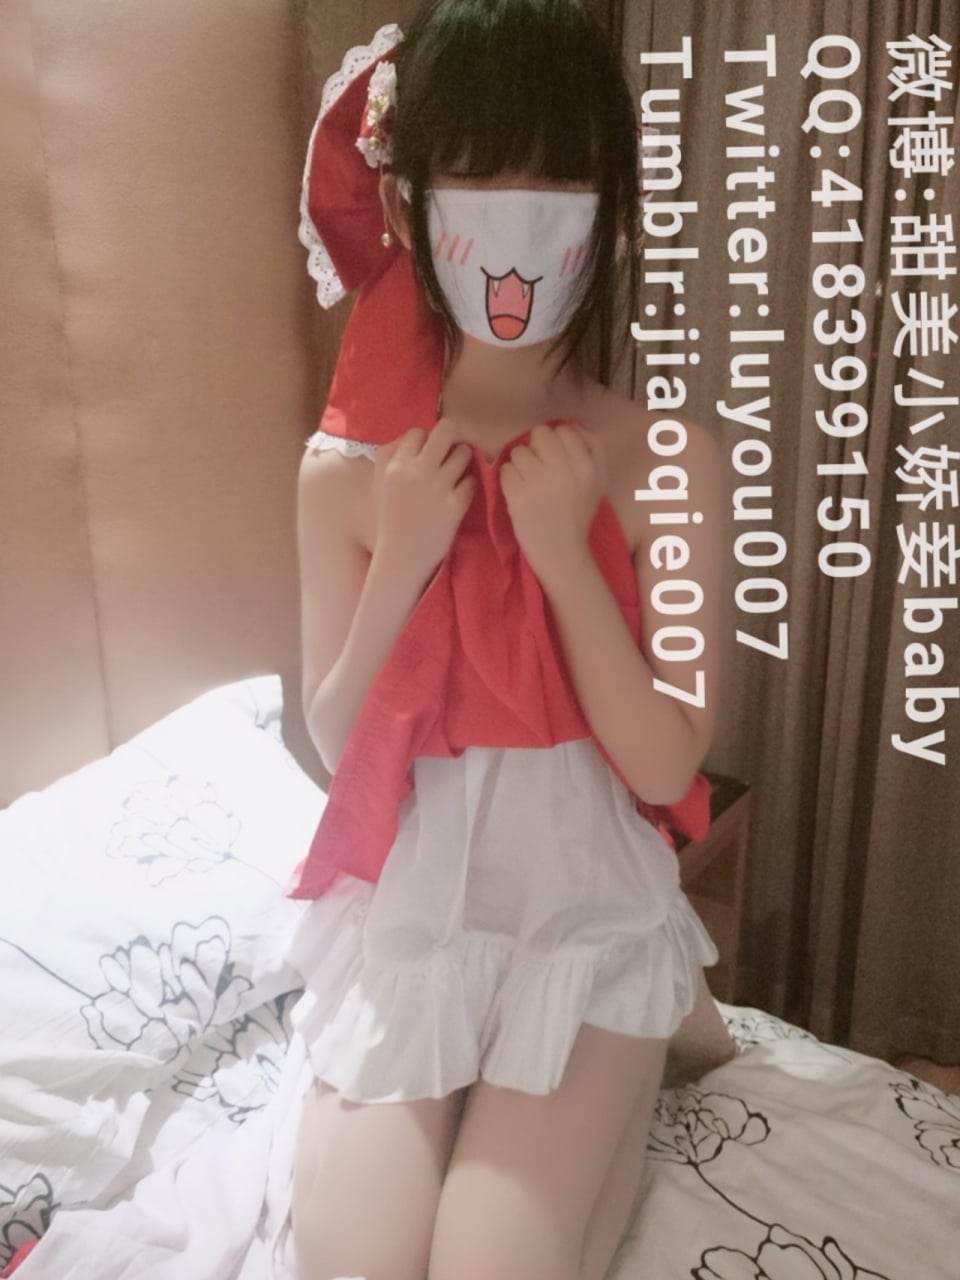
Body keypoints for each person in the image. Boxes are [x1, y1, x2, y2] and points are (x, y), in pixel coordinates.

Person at [287, 3, 737, 1278]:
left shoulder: (669, 460)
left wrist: (564, 557)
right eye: (479, 175)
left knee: (494, 1261)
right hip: (416, 902)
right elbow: (332, 743)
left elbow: (670, 760)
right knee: (352, 1263)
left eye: (559, 180)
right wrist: (404, 560)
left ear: (614, 213)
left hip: (583, 909)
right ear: (410, 201)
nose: (518, 217)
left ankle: (647, 1042)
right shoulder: (346, 472)